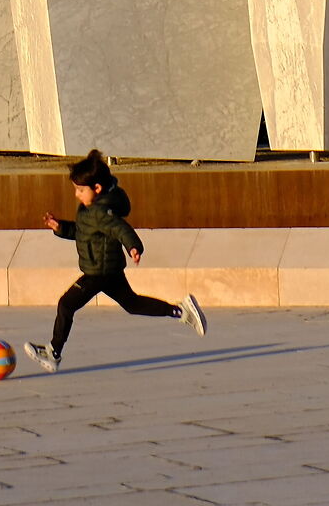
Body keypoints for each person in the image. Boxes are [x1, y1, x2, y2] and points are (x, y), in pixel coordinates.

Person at [25, 149, 205, 373]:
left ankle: (53, 353)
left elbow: (121, 229)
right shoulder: (91, 209)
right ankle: (181, 311)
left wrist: (133, 247)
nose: (76, 195)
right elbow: (84, 232)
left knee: (66, 304)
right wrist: (60, 227)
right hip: (108, 271)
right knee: (132, 303)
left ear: (97, 188)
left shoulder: (100, 212)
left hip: (98, 273)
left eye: (80, 190)